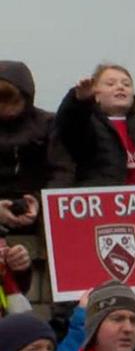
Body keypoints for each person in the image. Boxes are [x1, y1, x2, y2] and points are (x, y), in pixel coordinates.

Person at [1, 61, 72, 230]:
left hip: (41, 208)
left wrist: (41, 202)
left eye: (12, 100)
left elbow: (63, 170)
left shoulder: (48, 124)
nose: (6, 108)